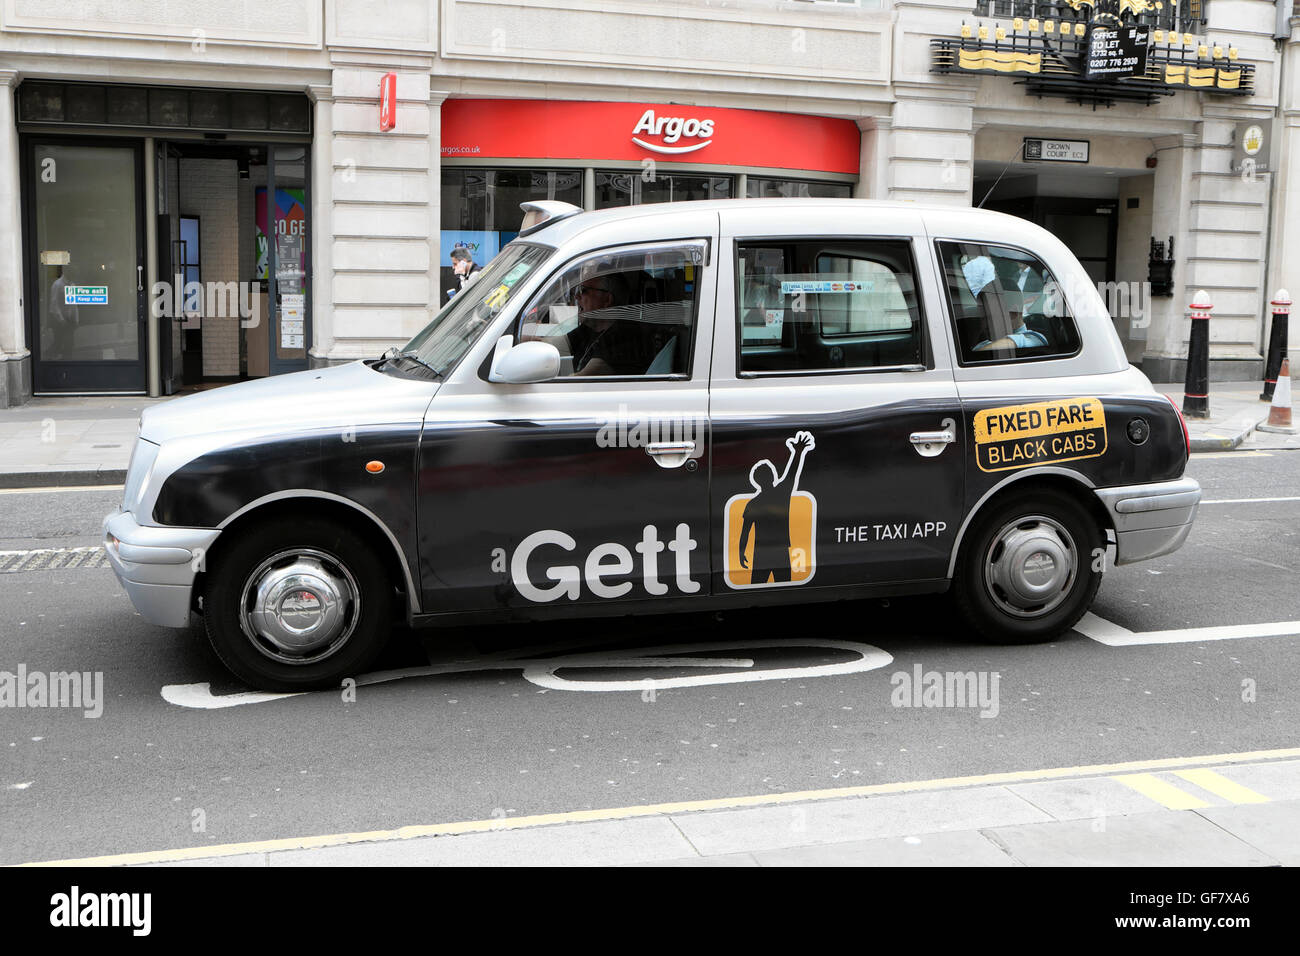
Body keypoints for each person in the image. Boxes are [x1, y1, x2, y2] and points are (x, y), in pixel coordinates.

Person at [738, 431, 815, 585]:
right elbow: (792, 473)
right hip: (779, 549)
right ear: (771, 477)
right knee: (784, 585)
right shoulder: (782, 492)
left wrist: (741, 552)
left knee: (758, 586)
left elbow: (745, 530)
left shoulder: (753, 503)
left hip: (762, 551)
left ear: (757, 481)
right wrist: (798, 452)